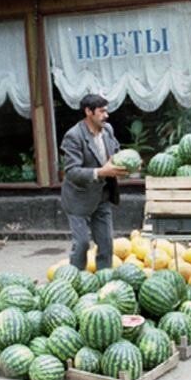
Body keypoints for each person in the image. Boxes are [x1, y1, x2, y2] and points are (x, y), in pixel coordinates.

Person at [60, 94, 128, 271]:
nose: (106, 115)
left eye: (107, 110)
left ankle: (104, 281)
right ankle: (75, 279)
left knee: (106, 243)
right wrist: (100, 172)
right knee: (82, 244)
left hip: (102, 196)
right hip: (78, 199)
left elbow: (115, 153)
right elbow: (72, 171)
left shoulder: (108, 130)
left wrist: (127, 163)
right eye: (102, 111)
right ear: (88, 112)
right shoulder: (73, 136)